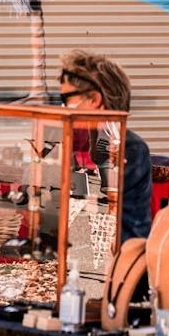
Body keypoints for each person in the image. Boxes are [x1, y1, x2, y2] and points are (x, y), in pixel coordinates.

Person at [57, 50, 153, 242]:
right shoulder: (79, 135)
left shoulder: (127, 148)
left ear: (94, 99)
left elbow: (120, 223)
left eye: (67, 99)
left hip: (114, 260)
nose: (63, 107)